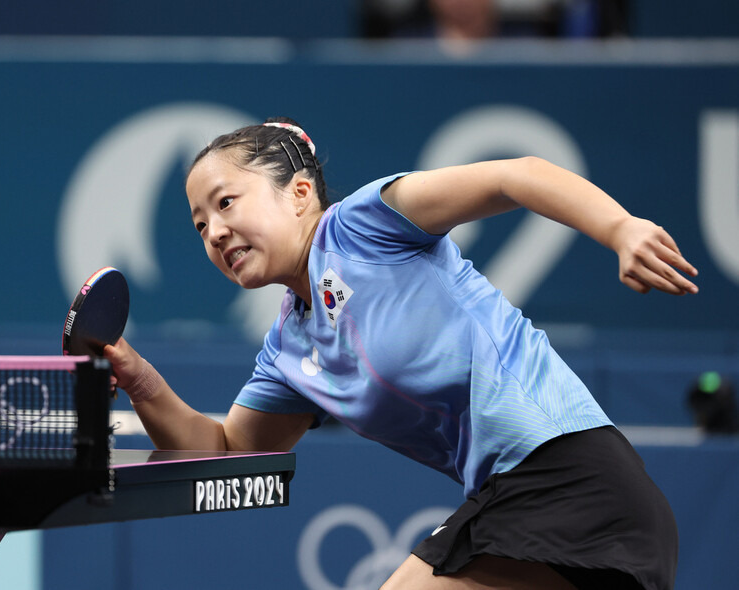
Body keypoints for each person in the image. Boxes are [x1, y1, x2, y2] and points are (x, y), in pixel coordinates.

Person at [103, 117, 696, 589]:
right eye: (199, 225)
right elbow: (227, 456)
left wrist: (619, 228)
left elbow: (515, 175)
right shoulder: (290, 348)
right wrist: (139, 380)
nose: (213, 232)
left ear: (300, 194)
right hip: (512, 501)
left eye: (226, 203)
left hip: (570, 477)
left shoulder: (367, 224)